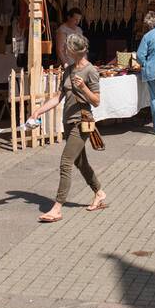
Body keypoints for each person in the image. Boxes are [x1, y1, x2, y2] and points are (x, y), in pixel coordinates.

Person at [28, 33, 106, 222]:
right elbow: (58, 97)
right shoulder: (69, 69)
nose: (65, 51)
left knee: (65, 162)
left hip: (81, 123)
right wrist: (39, 111)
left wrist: (84, 88)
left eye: (67, 49)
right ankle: (99, 193)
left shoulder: (90, 71)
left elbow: (96, 101)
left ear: (76, 50)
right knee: (81, 163)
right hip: (68, 122)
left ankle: (57, 207)